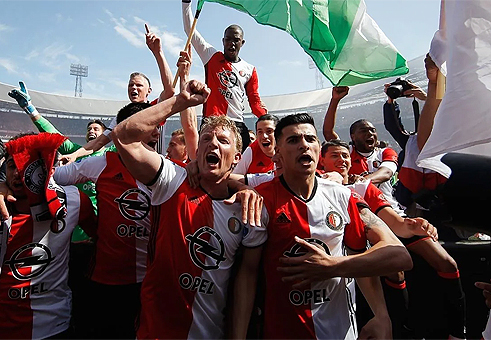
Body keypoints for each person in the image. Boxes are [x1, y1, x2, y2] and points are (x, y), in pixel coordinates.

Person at [233, 113, 412, 339]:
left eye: (310, 139)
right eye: (293, 140)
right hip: (284, 331)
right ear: (277, 152)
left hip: (340, 331)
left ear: (318, 147)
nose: (304, 146)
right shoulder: (261, 200)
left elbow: (399, 256)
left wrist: (380, 314)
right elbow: (247, 274)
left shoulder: (343, 197)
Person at [112, 77, 265, 338]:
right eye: (206, 138)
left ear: (237, 158)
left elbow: (245, 281)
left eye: (223, 141)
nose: (213, 143)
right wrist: (179, 102)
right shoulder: (172, 180)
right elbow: (123, 136)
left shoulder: (250, 210)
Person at [321, 138, 465, 339]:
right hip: (347, 250)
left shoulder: (363, 187)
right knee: (394, 271)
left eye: (345, 155)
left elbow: (395, 223)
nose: (342, 160)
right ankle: (400, 329)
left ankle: (456, 332)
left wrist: (415, 226)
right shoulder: (317, 186)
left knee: (446, 262)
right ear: (322, 160)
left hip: (380, 235)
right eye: (334, 156)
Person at [53, 102, 156, 339]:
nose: (156, 132)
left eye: (157, 126)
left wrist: (239, 187)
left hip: (146, 284)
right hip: (101, 282)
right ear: (127, 128)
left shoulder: (166, 170)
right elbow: (51, 179)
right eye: (150, 124)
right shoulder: (101, 163)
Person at [0, 133, 96, 339]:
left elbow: (101, 238)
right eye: (11, 165)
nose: (17, 172)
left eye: (26, 165)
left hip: (54, 327)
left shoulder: (74, 201)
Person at [182, 0, 267, 151]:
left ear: (242, 43)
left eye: (236, 40)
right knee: (210, 166)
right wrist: (186, 4)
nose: (232, 44)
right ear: (223, 41)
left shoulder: (250, 69)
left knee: (240, 167)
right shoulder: (211, 56)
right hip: (212, 122)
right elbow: (191, 30)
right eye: (228, 40)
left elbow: (254, 99)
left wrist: (265, 117)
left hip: (237, 124)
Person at [323, 86, 403, 215]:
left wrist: (360, 181)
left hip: (390, 210)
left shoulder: (385, 153)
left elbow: (386, 173)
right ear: (353, 137)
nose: (370, 134)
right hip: (359, 211)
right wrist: (335, 100)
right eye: (364, 131)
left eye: (372, 130)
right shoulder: (347, 153)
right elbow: (328, 133)